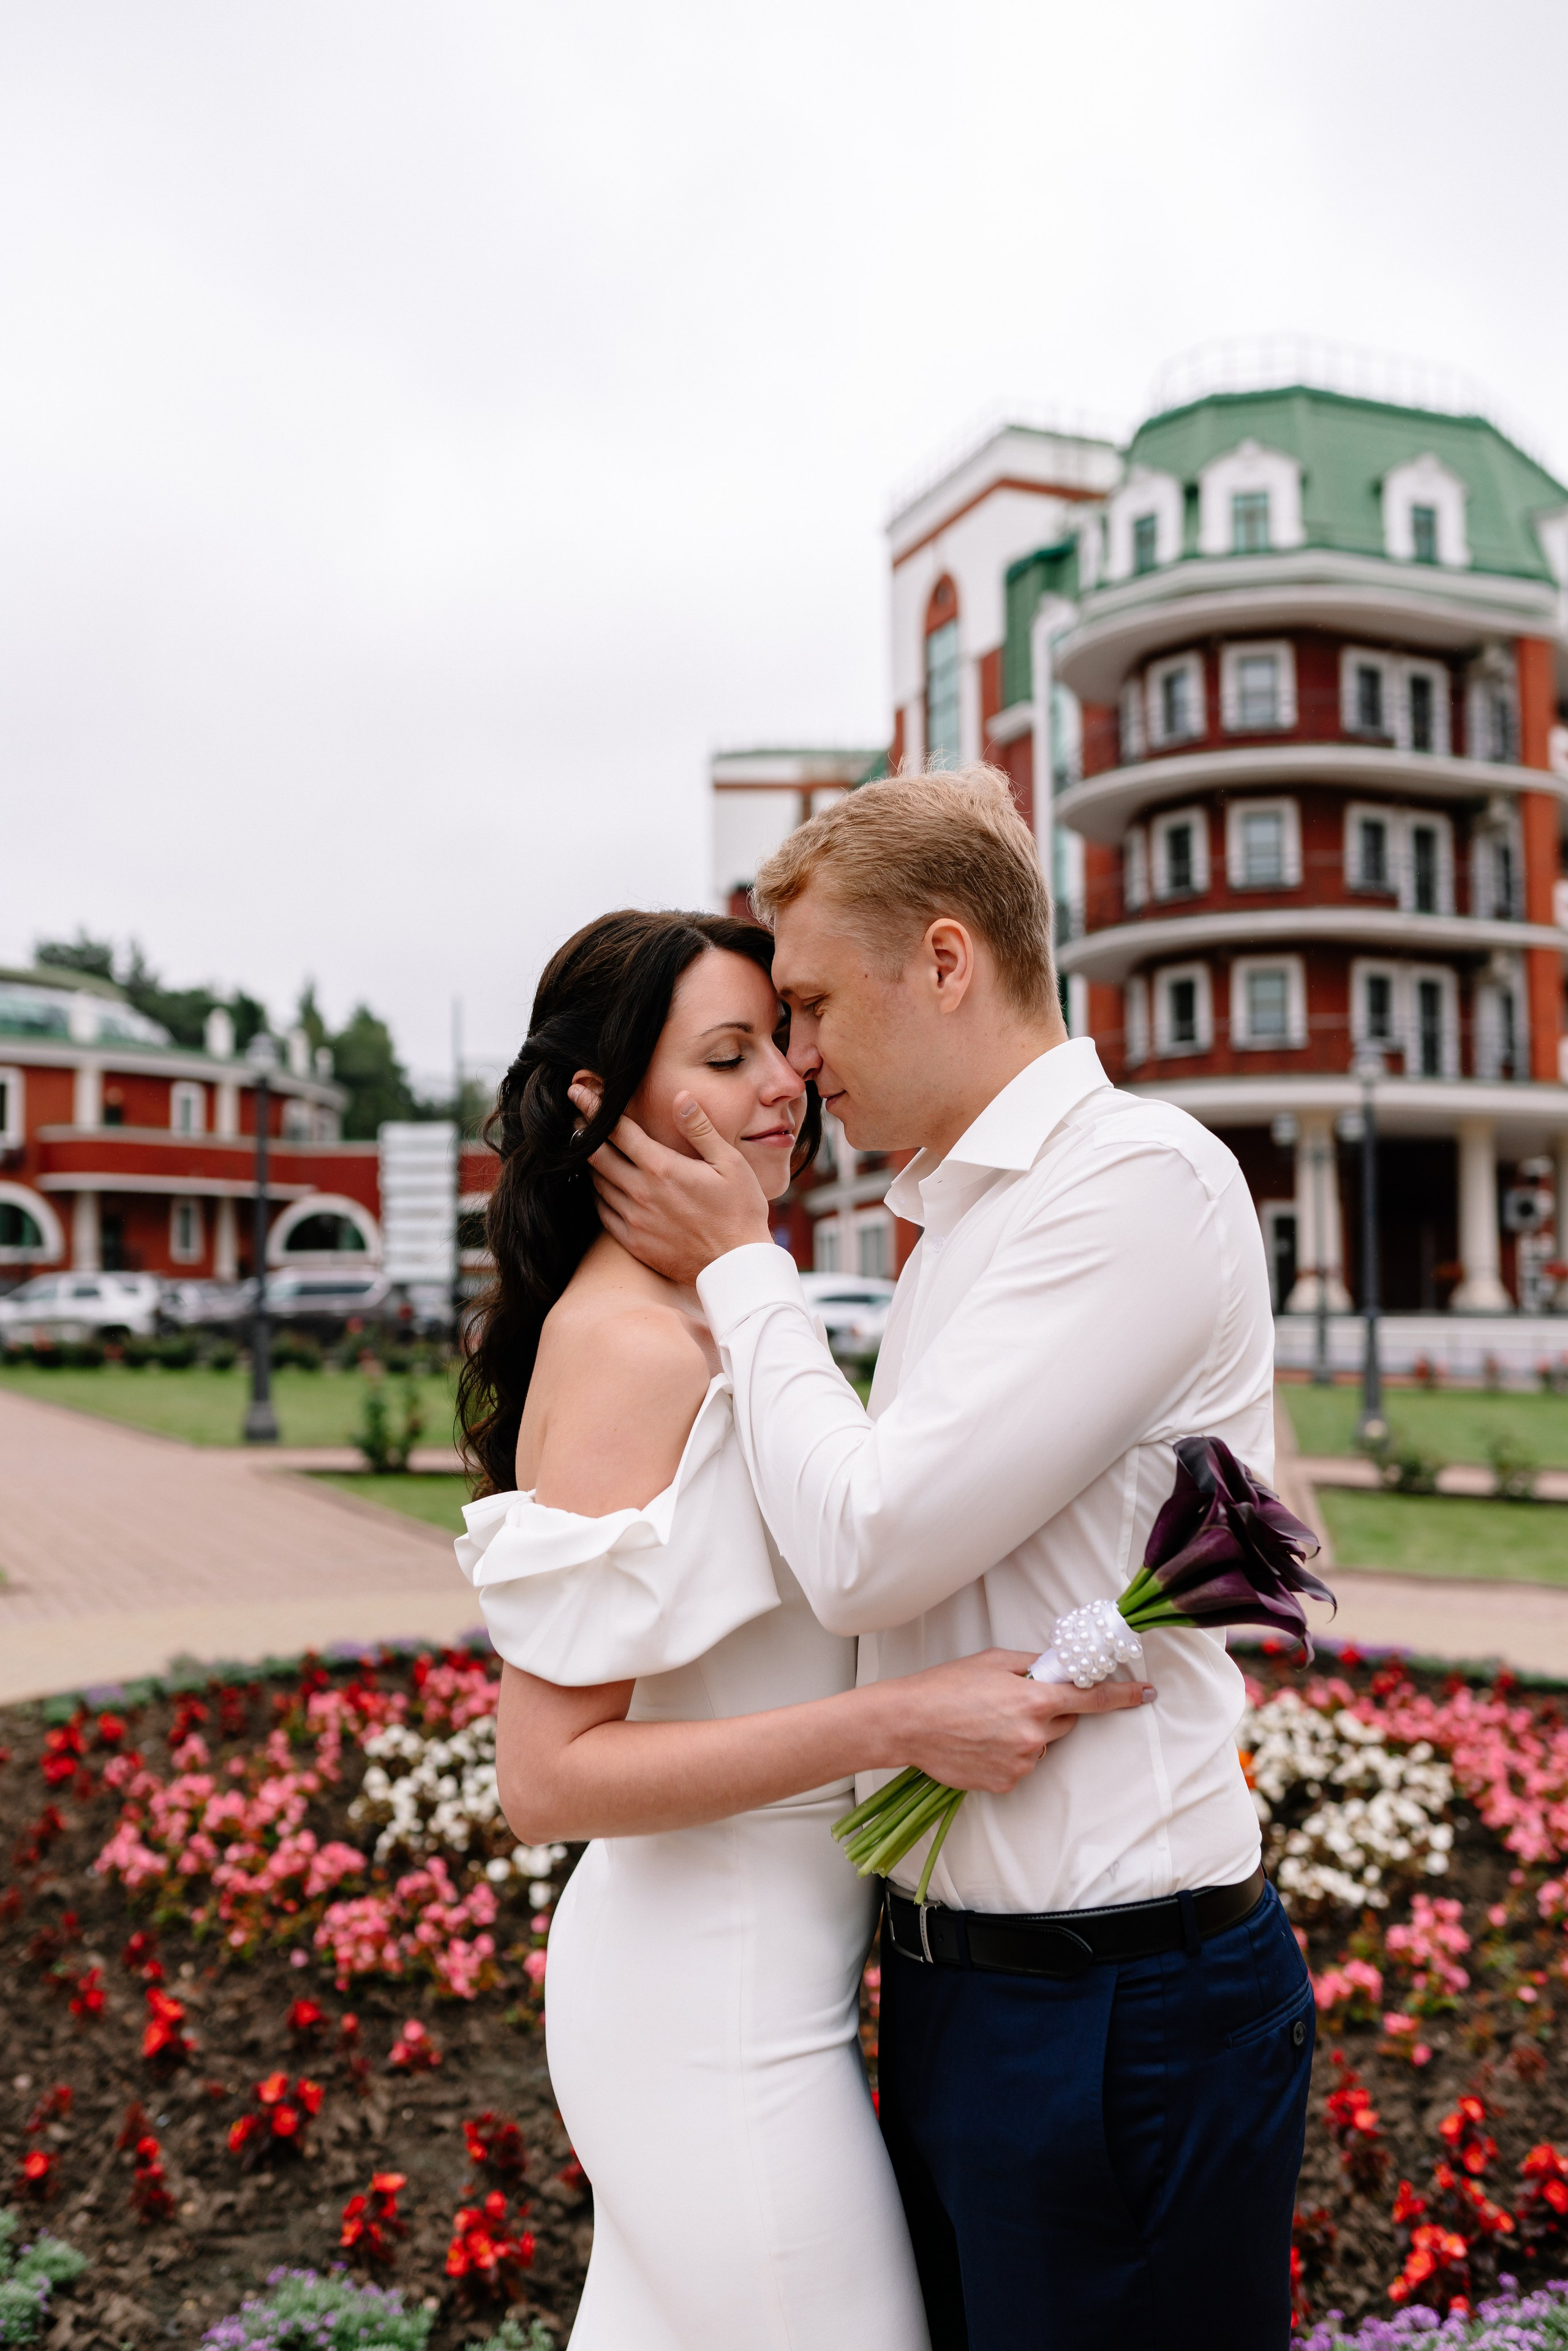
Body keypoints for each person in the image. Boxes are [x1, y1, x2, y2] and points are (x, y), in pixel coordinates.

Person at [580, 772, 1317, 2351]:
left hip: (1118, 2003)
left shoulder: (1133, 1181)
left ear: (943, 959)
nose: (798, 1060)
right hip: (954, 1991)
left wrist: (741, 1267)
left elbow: (865, 1547)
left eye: (814, 1004)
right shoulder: (957, 1212)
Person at [452, 907, 1148, 2351]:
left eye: (781, 1037)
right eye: (728, 1052)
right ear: (599, 1104)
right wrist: (903, 1720)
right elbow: (546, 1775)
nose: (788, 1079)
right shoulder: (627, 1347)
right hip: (704, 2008)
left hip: (786, 1982)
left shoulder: (728, 1316)